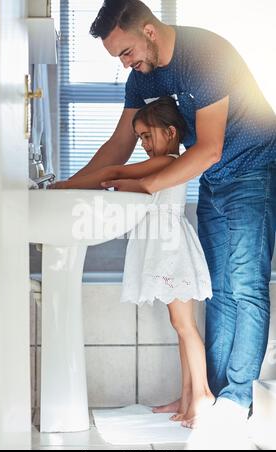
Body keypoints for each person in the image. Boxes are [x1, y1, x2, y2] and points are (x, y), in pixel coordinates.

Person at [53, 0, 276, 435]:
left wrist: (146, 184)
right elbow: (119, 147)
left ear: (150, 31)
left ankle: (238, 397)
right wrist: (68, 186)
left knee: (245, 285)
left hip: (253, 166)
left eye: (126, 53)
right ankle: (205, 393)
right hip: (213, 177)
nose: (126, 65)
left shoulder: (205, 56)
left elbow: (208, 146)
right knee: (221, 290)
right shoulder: (143, 78)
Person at [50, 97, 214, 427]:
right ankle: (187, 396)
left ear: (170, 132)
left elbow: (112, 171)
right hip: (166, 246)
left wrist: (65, 187)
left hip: (171, 250)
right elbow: (126, 182)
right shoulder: (166, 161)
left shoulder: (166, 159)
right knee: (180, 326)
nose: (142, 144)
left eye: (146, 136)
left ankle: (203, 395)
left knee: (185, 326)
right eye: (138, 138)